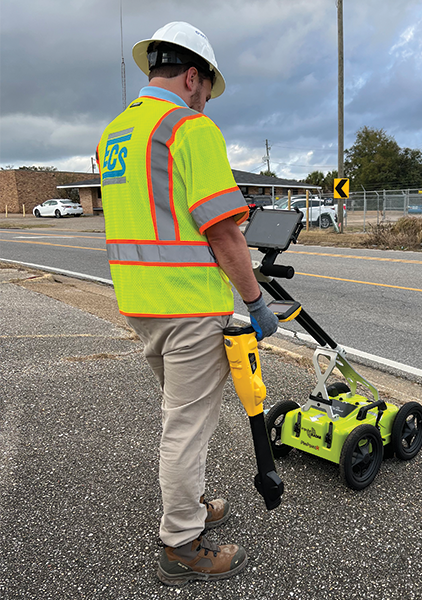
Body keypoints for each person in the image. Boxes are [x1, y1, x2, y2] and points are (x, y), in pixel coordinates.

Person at [96, 21, 279, 585]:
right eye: (206, 89)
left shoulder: (116, 133)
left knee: (181, 418)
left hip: (137, 301)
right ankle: (181, 543)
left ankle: (192, 507)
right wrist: (254, 300)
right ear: (192, 76)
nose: (205, 101)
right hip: (190, 306)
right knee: (187, 426)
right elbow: (224, 233)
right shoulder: (188, 129)